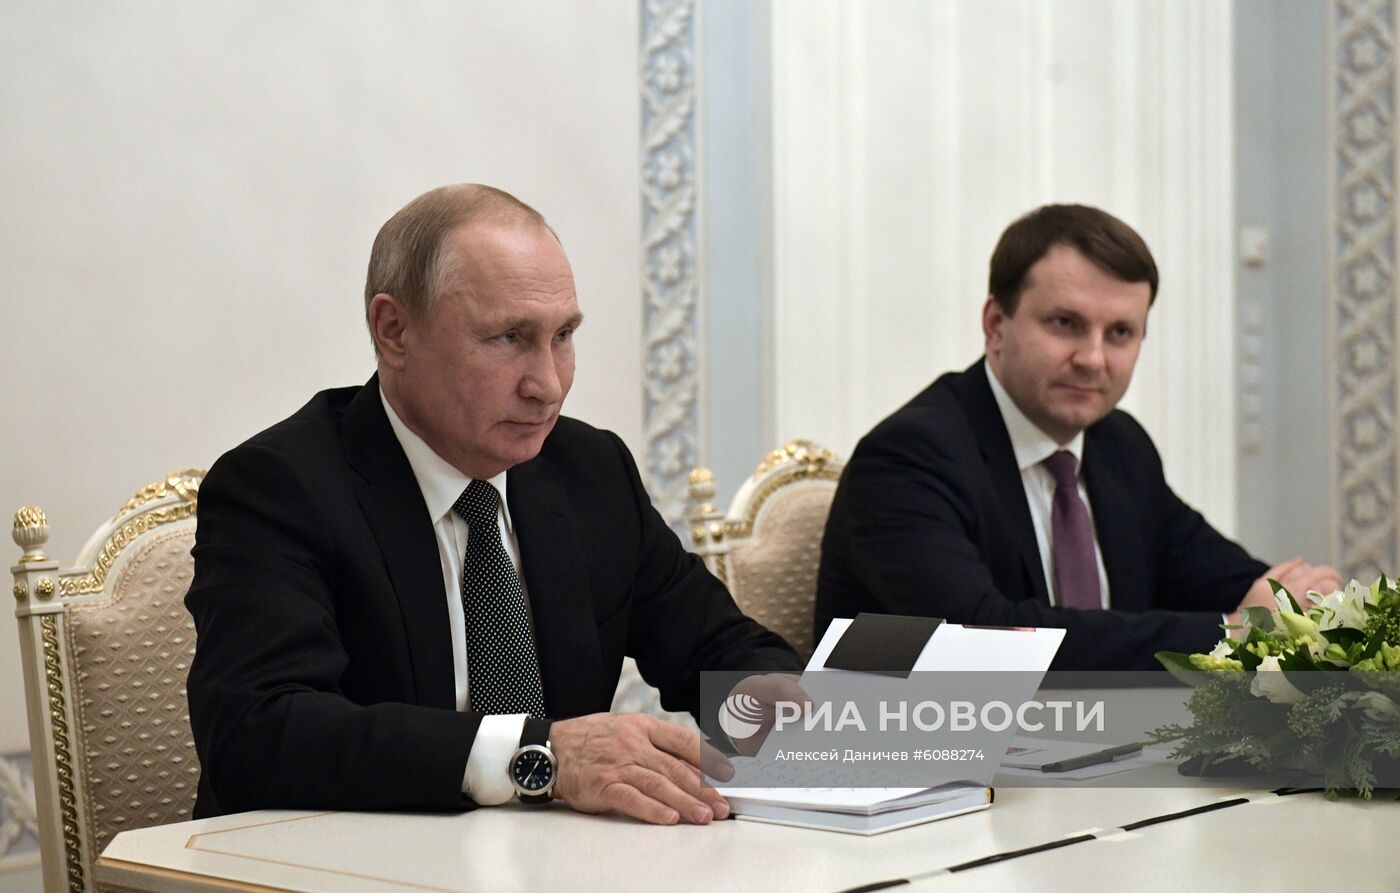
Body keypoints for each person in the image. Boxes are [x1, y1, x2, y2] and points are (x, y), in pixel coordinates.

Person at [185, 184, 801, 825]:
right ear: (394, 331)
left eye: (563, 335)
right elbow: (258, 733)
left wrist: (811, 739)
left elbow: (721, 648)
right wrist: (540, 756)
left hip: (559, 862)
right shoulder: (280, 488)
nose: (549, 385)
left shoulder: (589, 470)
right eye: (510, 337)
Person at [815, 204, 1340, 670]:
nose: (1092, 359)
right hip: (922, 742)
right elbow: (987, 642)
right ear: (996, 324)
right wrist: (1230, 632)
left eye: (1120, 333)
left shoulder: (1118, 445)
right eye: (1066, 323)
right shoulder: (909, 457)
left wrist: (1304, 604)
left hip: (1088, 740)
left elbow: (1223, 578)